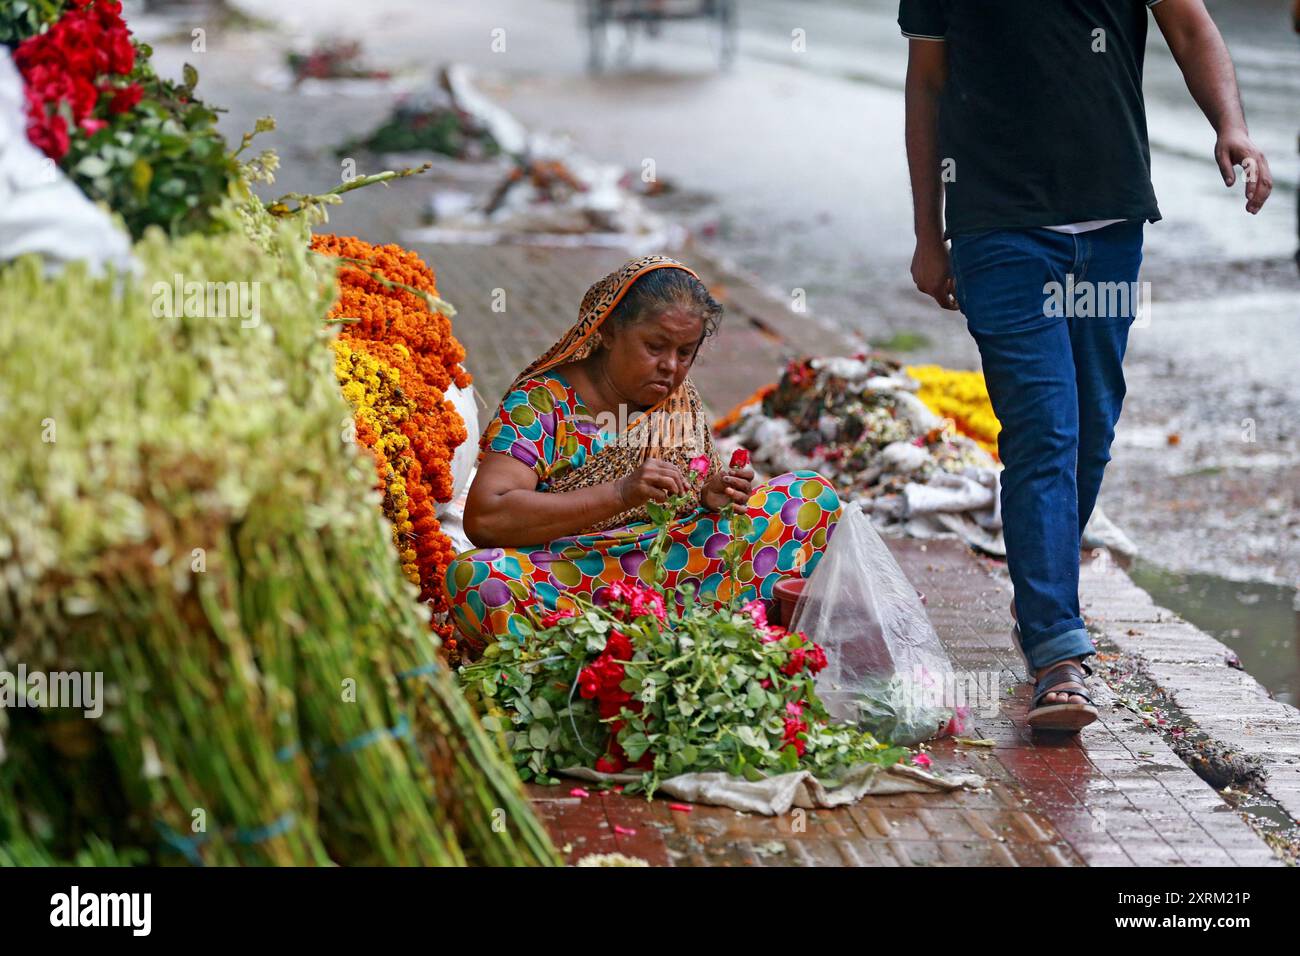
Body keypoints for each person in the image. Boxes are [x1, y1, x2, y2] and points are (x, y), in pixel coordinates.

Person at [900, 0, 1272, 730]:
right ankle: (1056, 653)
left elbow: (1191, 25)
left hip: (1109, 226)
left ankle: (1041, 598)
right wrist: (928, 232)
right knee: (1044, 431)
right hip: (997, 228)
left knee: (1091, 430)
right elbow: (927, 85)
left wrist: (1231, 125)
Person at [446, 255, 843, 648]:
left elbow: (690, 515)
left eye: (685, 353)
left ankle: (672, 637)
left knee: (811, 497)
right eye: (654, 346)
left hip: (675, 567)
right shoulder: (541, 403)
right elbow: (486, 518)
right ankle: (674, 635)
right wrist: (619, 494)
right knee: (479, 580)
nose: (670, 366)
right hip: (579, 575)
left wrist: (711, 497)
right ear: (609, 331)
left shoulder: (677, 400)